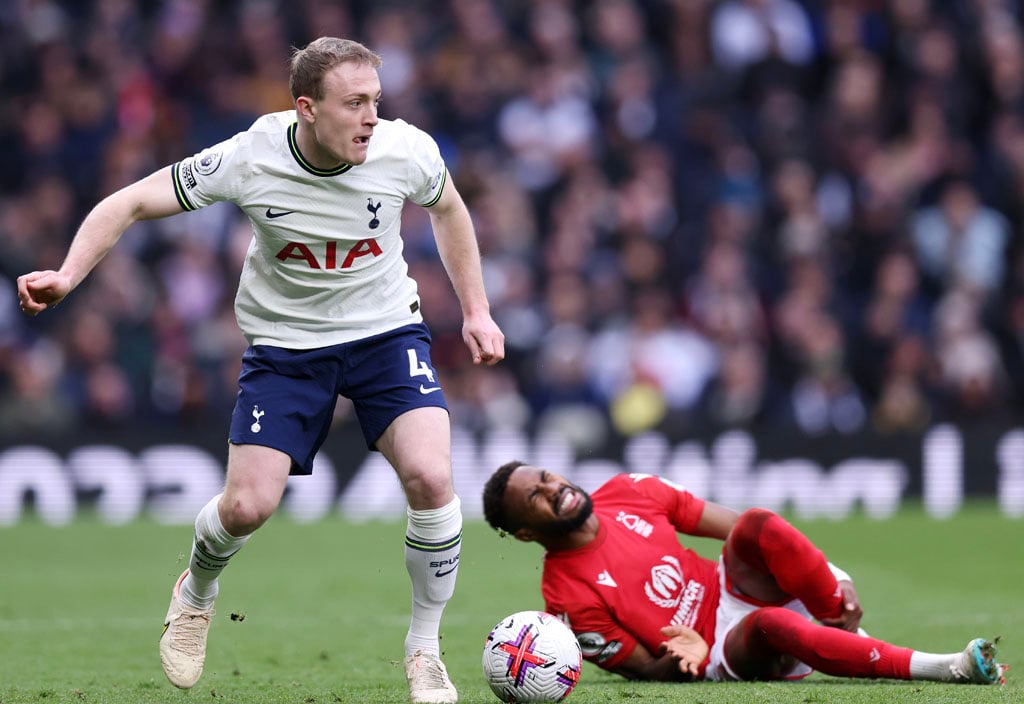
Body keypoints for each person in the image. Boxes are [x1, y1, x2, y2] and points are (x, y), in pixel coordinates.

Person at [18, 37, 505, 704]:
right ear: (306, 108)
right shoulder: (251, 157)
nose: (370, 117)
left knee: (431, 475)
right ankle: (196, 590)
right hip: (286, 346)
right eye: (354, 103)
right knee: (247, 506)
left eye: (376, 102)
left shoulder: (405, 150)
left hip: (385, 334)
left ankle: (424, 651)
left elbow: (449, 209)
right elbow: (127, 203)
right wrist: (69, 275)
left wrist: (476, 310)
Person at [482, 462, 1006, 686]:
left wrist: (831, 573)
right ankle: (950, 668)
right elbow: (643, 671)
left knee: (757, 524)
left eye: (547, 477)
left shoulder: (629, 489)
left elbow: (743, 530)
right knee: (774, 624)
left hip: (728, 587)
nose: (555, 489)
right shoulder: (565, 600)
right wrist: (686, 659)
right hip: (720, 648)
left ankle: (840, 622)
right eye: (537, 497)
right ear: (526, 533)